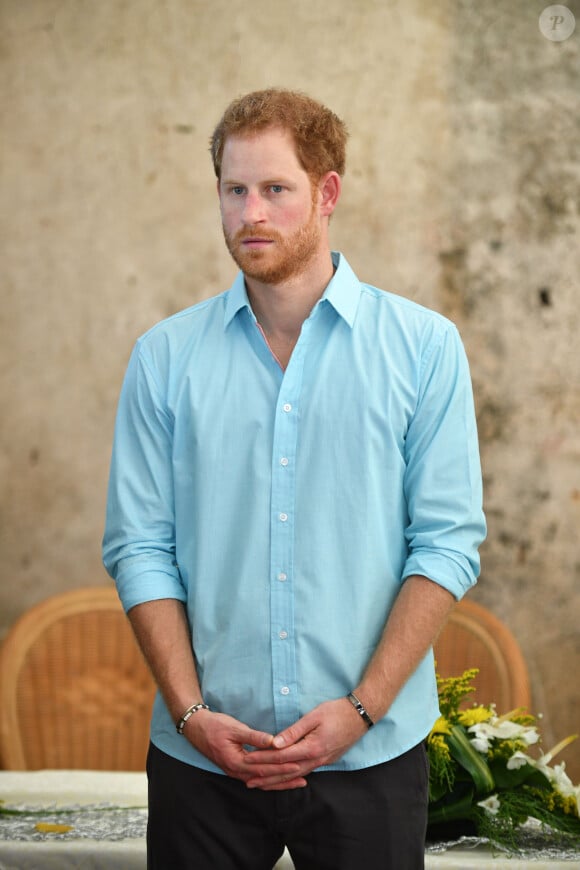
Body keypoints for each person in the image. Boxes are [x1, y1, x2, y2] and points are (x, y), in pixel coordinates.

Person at [102, 88, 486, 870]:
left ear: (327, 192)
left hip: (369, 757)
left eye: (276, 188)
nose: (252, 213)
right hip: (203, 759)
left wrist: (361, 710)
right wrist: (190, 714)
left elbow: (446, 545)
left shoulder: (423, 349)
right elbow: (140, 546)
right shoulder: (164, 358)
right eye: (234, 189)